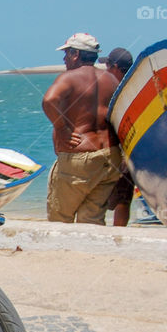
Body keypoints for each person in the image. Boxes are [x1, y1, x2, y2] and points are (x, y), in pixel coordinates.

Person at [41, 33, 122, 224]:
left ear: (76, 54)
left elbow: (49, 100)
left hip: (80, 158)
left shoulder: (69, 78)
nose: (64, 58)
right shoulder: (111, 80)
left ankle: (62, 253)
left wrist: (61, 129)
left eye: (67, 53)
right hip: (109, 156)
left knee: (60, 217)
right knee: (92, 218)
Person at [100, 47, 135, 226]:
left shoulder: (111, 89)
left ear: (114, 67)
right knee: (123, 199)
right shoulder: (135, 88)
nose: (105, 69)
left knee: (99, 198)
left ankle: (105, 233)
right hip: (129, 152)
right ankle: (119, 233)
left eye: (107, 65)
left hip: (113, 150)